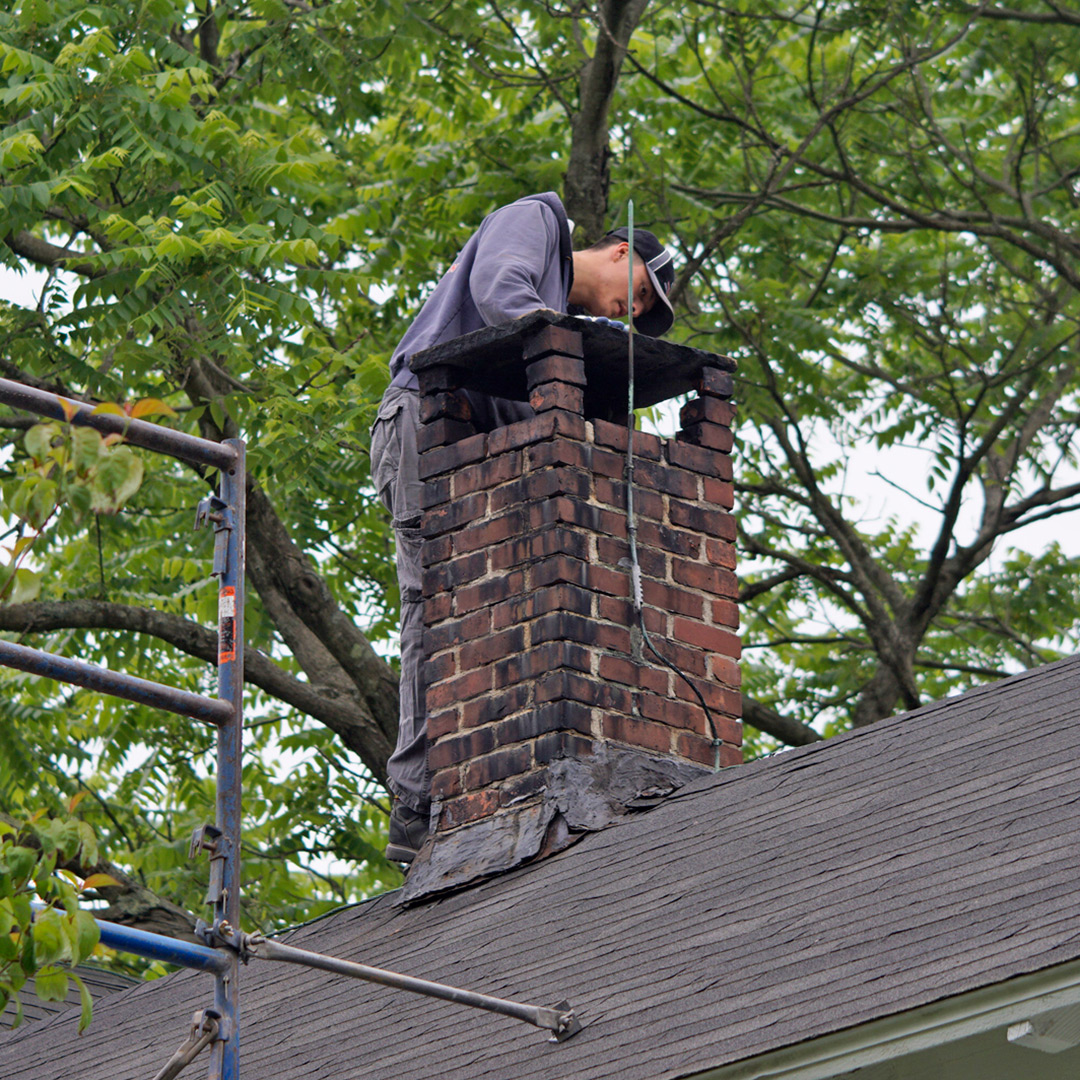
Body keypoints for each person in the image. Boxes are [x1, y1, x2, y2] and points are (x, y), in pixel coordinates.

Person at [369, 190, 676, 864]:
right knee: (433, 605)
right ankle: (416, 798)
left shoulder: (557, 311)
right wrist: (566, 345)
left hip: (474, 426)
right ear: (621, 252)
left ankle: (490, 782)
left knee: (499, 603)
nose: (636, 311)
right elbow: (499, 288)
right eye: (645, 295)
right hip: (425, 419)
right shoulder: (539, 219)